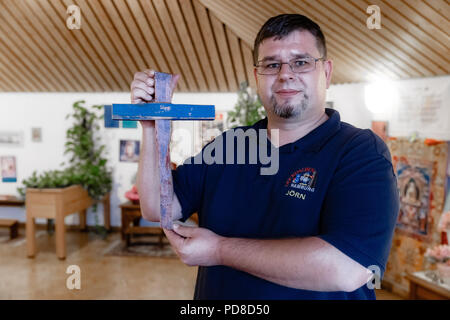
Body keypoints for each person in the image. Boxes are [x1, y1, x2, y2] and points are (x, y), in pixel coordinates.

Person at [132, 14, 399, 299]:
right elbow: (156, 207)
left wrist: (219, 250)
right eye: (272, 64)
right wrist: (152, 127)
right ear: (258, 77)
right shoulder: (229, 146)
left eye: (301, 62)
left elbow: (346, 268)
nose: (285, 74)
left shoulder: (360, 151)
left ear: (327, 72)